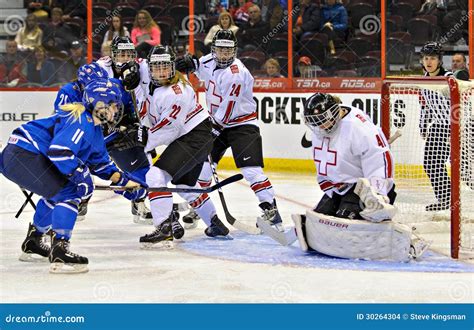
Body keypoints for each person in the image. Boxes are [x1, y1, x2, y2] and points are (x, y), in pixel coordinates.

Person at [0, 79, 147, 274]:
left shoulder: (94, 130)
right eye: (113, 105)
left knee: (59, 192)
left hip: (20, 155)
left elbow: (102, 165)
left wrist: (128, 184)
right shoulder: (81, 119)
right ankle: (60, 251)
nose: (116, 110)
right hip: (24, 154)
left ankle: (33, 242)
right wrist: (82, 177)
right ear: (100, 104)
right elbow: (60, 152)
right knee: (70, 193)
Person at [115, 45, 230, 246]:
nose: (161, 72)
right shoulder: (146, 70)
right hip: (193, 135)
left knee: (155, 175)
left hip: (194, 136)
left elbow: (169, 131)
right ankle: (215, 223)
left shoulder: (177, 93)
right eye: (156, 67)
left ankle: (164, 227)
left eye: (165, 67)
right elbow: (136, 63)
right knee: (185, 187)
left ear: (173, 67)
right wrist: (130, 69)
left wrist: (142, 137)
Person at [175, 30, 283, 231]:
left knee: (251, 170)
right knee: (204, 168)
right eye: (220, 50)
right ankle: (199, 206)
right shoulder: (208, 60)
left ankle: (271, 210)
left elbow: (228, 110)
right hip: (217, 122)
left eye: (228, 50)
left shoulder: (237, 74)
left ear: (235, 51)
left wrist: (213, 130)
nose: (224, 55)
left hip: (242, 124)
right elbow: (200, 66)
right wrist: (190, 64)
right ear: (214, 50)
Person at [53, 63, 153, 223]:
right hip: (87, 140)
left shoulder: (116, 85)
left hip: (114, 137)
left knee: (144, 172)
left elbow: (130, 113)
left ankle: (138, 200)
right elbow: (65, 127)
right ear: (80, 85)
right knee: (74, 166)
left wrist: (130, 130)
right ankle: (78, 198)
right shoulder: (69, 93)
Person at [418, 42, 454, 211]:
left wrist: (454, 129)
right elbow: (426, 106)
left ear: (439, 60)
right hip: (438, 127)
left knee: (465, 170)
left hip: (453, 127)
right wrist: (423, 125)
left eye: (432, 58)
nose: (429, 61)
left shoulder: (449, 78)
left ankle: (450, 200)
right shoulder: (424, 79)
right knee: (430, 163)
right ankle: (446, 199)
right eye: (426, 58)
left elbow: (459, 105)